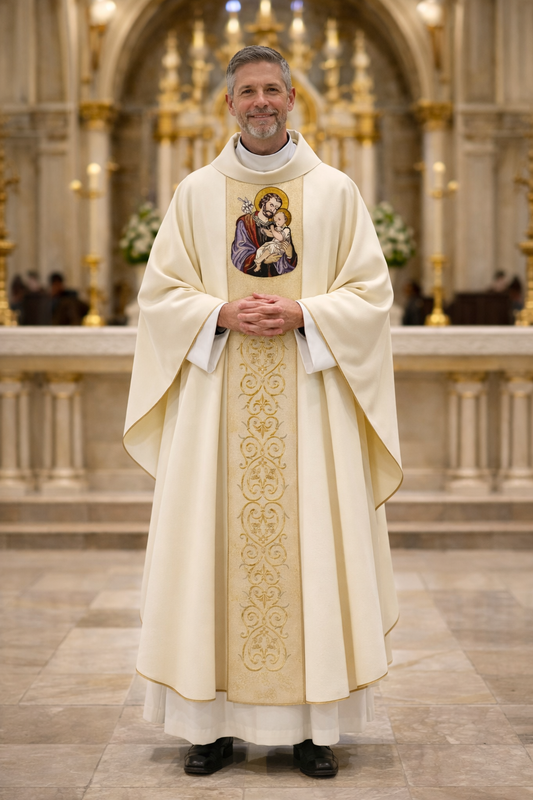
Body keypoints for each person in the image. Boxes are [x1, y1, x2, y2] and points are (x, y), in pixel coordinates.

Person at [124, 45, 402, 780]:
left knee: (311, 545)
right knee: (210, 548)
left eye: (272, 89)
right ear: (228, 104)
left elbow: (371, 296)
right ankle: (208, 725)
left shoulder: (335, 193)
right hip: (218, 406)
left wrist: (306, 312)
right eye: (247, 91)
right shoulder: (194, 194)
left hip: (310, 407)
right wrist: (218, 311)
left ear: (291, 97)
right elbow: (158, 297)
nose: (260, 102)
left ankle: (314, 727)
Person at [253, 208, 292, 272]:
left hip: (280, 247)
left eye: (279, 219)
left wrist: (273, 229)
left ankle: (259, 259)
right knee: (260, 249)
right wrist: (265, 231)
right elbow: (271, 234)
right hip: (273, 243)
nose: (277, 222)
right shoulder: (277, 228)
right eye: (276, 220)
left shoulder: (286, 229)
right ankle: (258, 265)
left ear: (285, 219)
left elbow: (280, 238)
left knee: (271, 247)